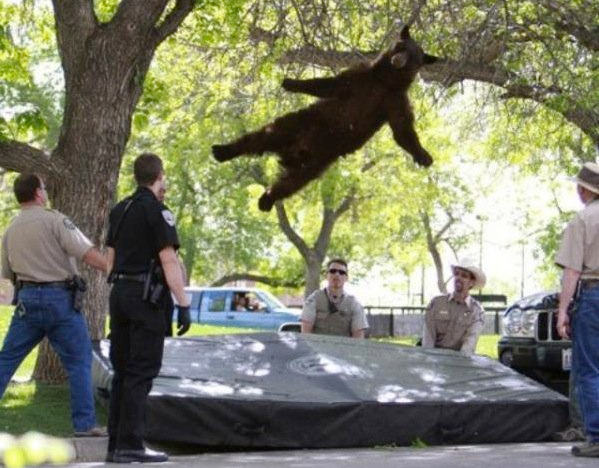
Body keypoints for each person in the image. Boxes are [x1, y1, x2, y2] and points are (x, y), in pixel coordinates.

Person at [0, 173, 107, 437]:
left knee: (6, 361)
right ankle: (85, 425)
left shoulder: (10, 230)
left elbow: (5, 274)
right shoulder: (55, 220)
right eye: (44, 188)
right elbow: (85, 252)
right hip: (60, 300)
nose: (46, 191)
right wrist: (110, 267)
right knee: (79, 362)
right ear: (38, 193)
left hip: (26, 301)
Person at [106, 153, 191, 463]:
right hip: (146, 298)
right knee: (141, 372)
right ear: (160, 176)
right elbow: (168, 259)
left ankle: (115, 445)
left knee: (122, 371)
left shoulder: (120, 210)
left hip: (120, 294)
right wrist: (183, 302)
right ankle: (132, 445)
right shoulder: (158, 212)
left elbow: (110, 260)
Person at [555, 161, 599, 457]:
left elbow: (572, 272)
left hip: (593, 297)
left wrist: (562, 312)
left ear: (584, 190)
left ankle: (596, 436)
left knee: (590, 369)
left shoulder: (583, 220)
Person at [421, 260, 486, 355]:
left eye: (464, 276)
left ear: (471, 283)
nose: (458, 278)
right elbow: (428, 339)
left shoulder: (477, 312)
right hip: (434, 359)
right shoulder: (436, 303)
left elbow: (469, 346)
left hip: (458, 363)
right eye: (456, 274)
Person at [301, 258, 368, 338]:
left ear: (346, 278)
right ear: (326, 275)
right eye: (333, 271)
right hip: (318, 349)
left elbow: (358, 336)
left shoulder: (354, 304)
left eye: (342, 272)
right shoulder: (314, 299)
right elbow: (305, 332)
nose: (337, 274)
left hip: (344, 349)